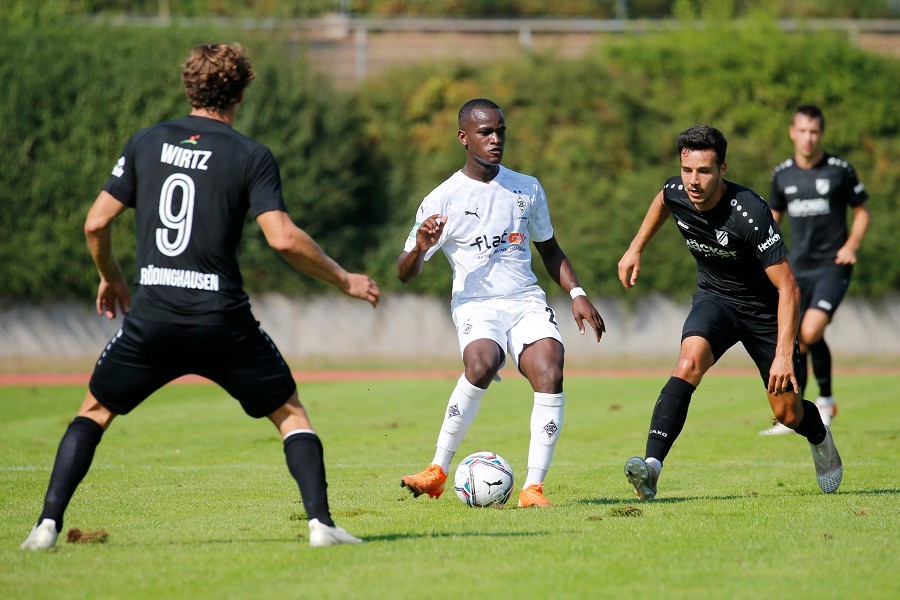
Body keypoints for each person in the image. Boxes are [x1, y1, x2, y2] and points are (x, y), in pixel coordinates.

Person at [20, 43, 380, 551]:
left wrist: (111, 277)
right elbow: (282, 238)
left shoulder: (146, 142)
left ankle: (45, 527)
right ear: (241, 93)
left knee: (95, 411)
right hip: (222, 321)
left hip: (152, 317)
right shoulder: (250, 155)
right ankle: (321, 526)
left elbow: (96, 222)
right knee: (290, 414)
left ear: (188, 86)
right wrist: (344, 279)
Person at [396, 98, 605, 507]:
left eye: (500, 132)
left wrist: (577, 293)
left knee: (550, 370)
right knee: (482, 362)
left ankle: (533, 488)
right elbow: (405, 272)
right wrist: (419, 247)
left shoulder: (527, 187)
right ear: (464, 138)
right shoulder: (443, 198)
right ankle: (437, 470)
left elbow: (549, 249)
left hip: (525, 300)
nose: (496, 139)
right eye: (486, 132)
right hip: (476, 303)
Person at [616, 125, 842, 500]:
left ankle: (819, 434)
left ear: (722, 169)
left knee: (787, 414)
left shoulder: (750, 213)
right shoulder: (678, 190)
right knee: (688, 363)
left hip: (765, 312)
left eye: (704, 171)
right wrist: (635, 248)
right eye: (687, 170)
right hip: (716, 299)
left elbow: (789, 287)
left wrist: (783, 354)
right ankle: (652, 467)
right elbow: (663, 199)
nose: (693, 181)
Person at [760, 104, 870, 435]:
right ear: (792, 132)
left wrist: (851, 245)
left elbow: (862, 212)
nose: (808, 138)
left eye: (814, 132)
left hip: (832, 268)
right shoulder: (782, 174)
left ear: (821, 134)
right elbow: (772, 218)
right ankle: (797, 413)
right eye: (802, 131)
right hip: (797, 269)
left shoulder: (839, 169)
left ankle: (825, 400)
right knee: (796, 339)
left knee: (808, 332)